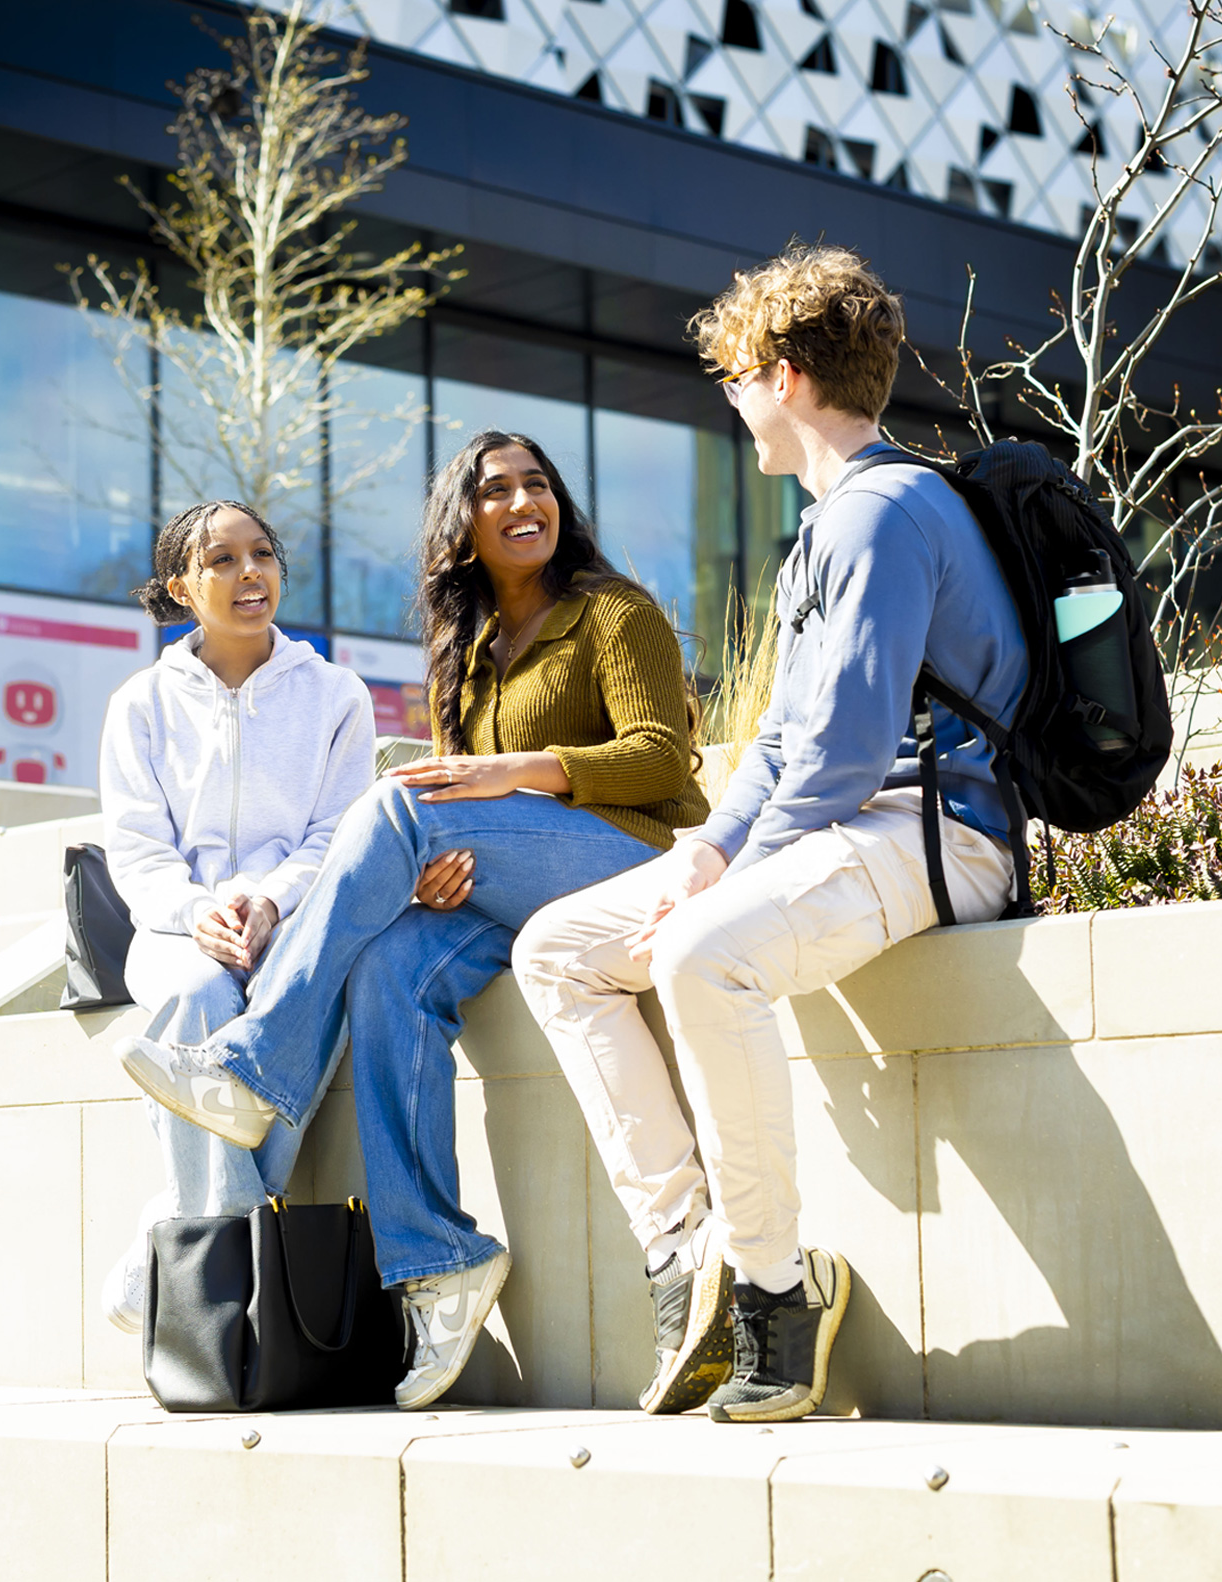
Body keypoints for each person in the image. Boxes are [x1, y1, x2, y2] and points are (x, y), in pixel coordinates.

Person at [512, 243, 1028, 1425]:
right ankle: (687, 1251)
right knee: (558, 949)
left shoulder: (882, 513)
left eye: (737, 376)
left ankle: (776, 1296)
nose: (733, 400)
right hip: (849, 824)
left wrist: (719, 875)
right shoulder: (830, 527)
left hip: (932, 830)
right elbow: (788, 748)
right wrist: (704, 850)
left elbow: (844, 758)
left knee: (703, 953)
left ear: (785, 376)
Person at [117, 431, 708, 1409]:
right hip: (520, 880)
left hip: (630, 857)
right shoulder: (464, 648)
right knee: (389, 962)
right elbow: (460, 808)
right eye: (495, 489)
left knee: (394, 803)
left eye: (538, 484)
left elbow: (661, 759)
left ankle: (256, 1062)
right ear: (461, 522)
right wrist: (442, 870)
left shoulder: (616, 610)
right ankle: (439, 1264)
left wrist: (513, 773)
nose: (524, 500)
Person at [98, 499, 376, 1335]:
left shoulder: (335, 695)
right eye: (221, 560)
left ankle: (174, 1250)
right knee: (199, 1001)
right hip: (175, 936)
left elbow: (340, 831)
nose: (249, 573)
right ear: (181, 585)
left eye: (262, 554)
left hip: (292, 926)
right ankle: (234, 1245)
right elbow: (137, 852)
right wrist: (201, 911)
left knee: (304, 991)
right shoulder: (140, 704)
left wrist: (271, 898)